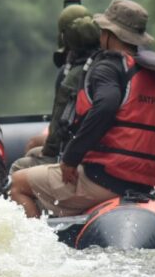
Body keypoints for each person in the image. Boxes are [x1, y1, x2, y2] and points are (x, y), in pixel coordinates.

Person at [10, 0, 155, 218]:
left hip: (105, 179)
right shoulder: (154, 73)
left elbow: (105, 107)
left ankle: (37, 247)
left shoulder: (107, 67)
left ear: (110, 35)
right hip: (143, 181)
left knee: (18, 183)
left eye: (103, 30)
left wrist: (71, 158)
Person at [9, 15, 101, 173]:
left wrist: (50, 151)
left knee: (18, 167)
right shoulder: (106, 67)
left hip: (75, 154)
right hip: (97, 150)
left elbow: (59, 121)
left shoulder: (73, 77)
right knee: (33, 152)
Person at [22, 3, 94, 154]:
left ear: (64, 36)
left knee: (32, 147)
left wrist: (50, 150)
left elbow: (56, 132)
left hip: (76, 145)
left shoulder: (70, 74)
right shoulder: (105, 62)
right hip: (92, 141)